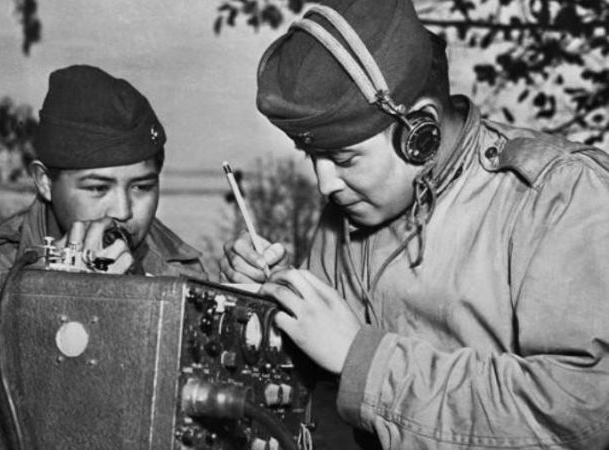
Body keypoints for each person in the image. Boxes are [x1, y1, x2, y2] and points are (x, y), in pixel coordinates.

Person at [221, 0, 609, 447]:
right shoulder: (349, 211)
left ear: (419, 133)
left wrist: (363, 360)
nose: (326, 184)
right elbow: (309, 385)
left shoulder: (558, 194)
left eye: (344, 158)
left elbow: (582, 412)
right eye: (313, 157)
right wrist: (267, 307)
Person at [0, 64, 206, 420]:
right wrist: (57, 305)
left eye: (142, 187)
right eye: (97, 188)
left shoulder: (178, 268)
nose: (123, 211)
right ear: (45, 182)